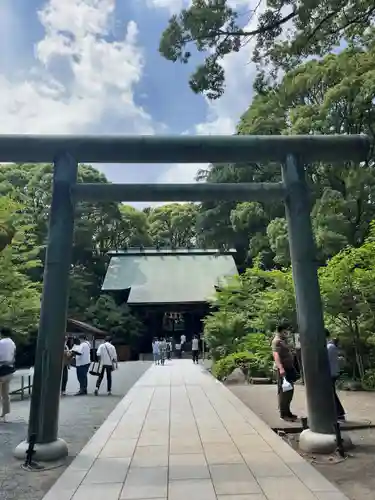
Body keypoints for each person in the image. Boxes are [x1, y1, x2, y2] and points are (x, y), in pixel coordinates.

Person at [272, 323, 298, 421]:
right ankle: (283, 414)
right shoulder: (277, 341)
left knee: (289, 391)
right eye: (285, 331)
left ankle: (288, 412)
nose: (287, 333)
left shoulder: (283, 341)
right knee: (284, 392)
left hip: (288, 368)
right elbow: (276, 355)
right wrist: (281, 368)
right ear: (281, 331)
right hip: (283, 369)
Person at [326, 329, 345, 421]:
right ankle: (338, 413)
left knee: (331, 393)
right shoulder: (330, 346)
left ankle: (339, 413)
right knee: (331, 393)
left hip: (331, 373)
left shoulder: (329, 347)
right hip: (332, 372)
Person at [0, 327, 16, 421]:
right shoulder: (12, 343)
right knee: (5, 393)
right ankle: (5, 413)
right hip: (10, 370)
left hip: (1, 369)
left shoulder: (1, 343)